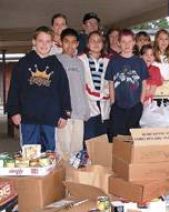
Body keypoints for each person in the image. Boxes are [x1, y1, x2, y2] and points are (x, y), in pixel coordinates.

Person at [7, 26, 71, 151]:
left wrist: (64, 113)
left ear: (52, 43)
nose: (44, 44)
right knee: (30, 155)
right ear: (34, 41)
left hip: (50, 119)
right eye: (41, 41)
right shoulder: (23, 63)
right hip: (28, 118)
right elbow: (14, 88)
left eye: (48, 41)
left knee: (49, 155)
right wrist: (14, 111)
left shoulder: (57, 65)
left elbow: (64, 90)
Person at [105, 29, 148, 138]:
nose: (127, 45)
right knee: (116, 136)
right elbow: (111, 82)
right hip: (118, 106)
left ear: (134, 42)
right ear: (119, 43)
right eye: (123, 42)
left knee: (132, 137)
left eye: (129, 41)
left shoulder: (140, 62)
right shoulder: (113, 61)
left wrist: (141, 102)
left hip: (135, 105)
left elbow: (144, 83)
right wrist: (112, 101)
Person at [56, 28, 90, 159]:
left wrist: (86, 109)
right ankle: (62, 179)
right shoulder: (55, 61)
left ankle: (74, 178)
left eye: (73, 42)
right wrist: (59, 112)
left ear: (77, 44)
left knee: (77, 151)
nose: (70, 45)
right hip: (64, 115)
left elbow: (82, 88)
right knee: (63, 151)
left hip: (79, 113)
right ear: (61, 42)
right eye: (66, 42)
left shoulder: (80, 63)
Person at [78, 31, 110, 141]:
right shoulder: (80, 60)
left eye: (99, 41)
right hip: (88, 109)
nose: (96, 43)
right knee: (89, 143)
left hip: (105, 110)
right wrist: (103, 95)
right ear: (87, 44)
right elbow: (84, 86)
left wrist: (105, 95)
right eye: (92, 41)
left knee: (103, 144)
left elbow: (110, 85)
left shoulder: (108, 62)